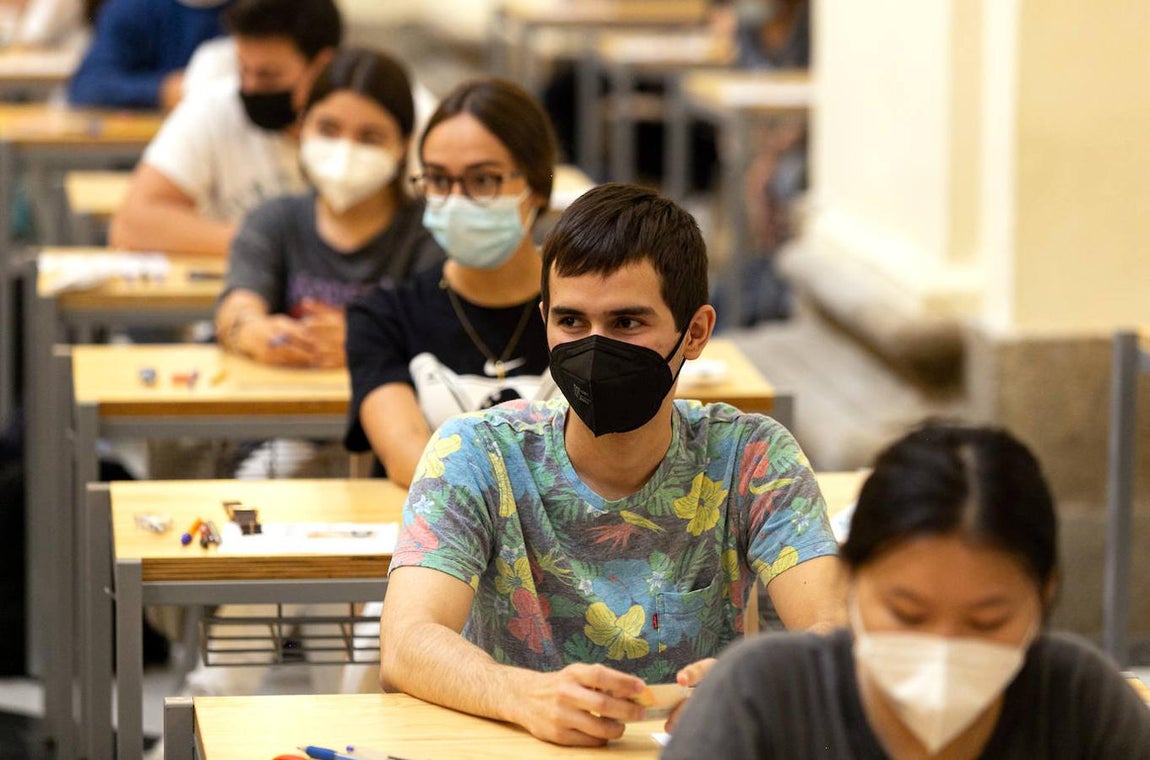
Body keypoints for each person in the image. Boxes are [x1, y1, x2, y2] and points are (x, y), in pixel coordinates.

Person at [377, 182, 846, 747]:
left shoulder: (751, 457)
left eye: (627, 323)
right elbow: (406, 642)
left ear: (695, 332)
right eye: (572, 322)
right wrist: (522, 695)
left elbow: (835, 634)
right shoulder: (478, 453)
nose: (594, 347)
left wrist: (752, 682)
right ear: (545, 319)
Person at [664, 423, 1150, 759]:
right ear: (850, 582)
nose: (943, 650)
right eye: (907, 614)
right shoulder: (762, 698)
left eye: (987, 621)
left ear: (1044, 596)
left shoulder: (1080, 703)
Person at [344, 77, 558, 488]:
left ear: (537, 186)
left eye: (482, 181)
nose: (456, 200)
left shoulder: (590, 313)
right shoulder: (384, 316)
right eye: (439, 180)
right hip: (440, 544)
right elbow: (408, 457)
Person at [216, 46, 443, 373]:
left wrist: (370, 340)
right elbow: (239, 302)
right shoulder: (272, 221)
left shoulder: (431, 231)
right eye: (328, 130)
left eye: (370, 137)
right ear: (302, 127)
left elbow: (441, 330)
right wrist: (251, 331)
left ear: (404, 145)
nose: (345, 150)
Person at [108, 0, 341, 257]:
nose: (250, 88)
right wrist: (272, 246)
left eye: (268, 76)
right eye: (243, 71)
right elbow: (133, 225)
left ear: (322, 65)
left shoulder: (358, 126)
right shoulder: (214, 109)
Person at [67, 0, 230, 110]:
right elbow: (88, 86)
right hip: (143, 146)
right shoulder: (134, 7)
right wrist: (162, 90)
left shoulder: (251, 10)